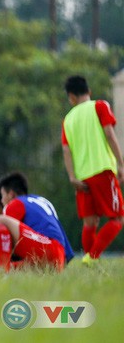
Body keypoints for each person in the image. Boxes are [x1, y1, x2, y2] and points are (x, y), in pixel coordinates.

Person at [62, 75, 124, 267]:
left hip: (82, 178)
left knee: (90, 223)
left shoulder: (68, 119)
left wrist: (72, 177)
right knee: (118, 218)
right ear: (89, 91)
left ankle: (89, 262)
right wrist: (121, 163)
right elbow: (109, 134)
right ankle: (93, 257)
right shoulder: (100, 106)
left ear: (71, 97)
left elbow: (66, 150)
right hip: (102, 170)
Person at [0, 172, 74, 272]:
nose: (1, 200)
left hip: (46, 248)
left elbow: (6, 236)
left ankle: (1, 265)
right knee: (8, 269)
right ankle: (5, 269)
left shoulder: (15, 203)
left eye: (2, 195)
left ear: (11, 194)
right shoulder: (42, 201)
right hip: (59, 258)